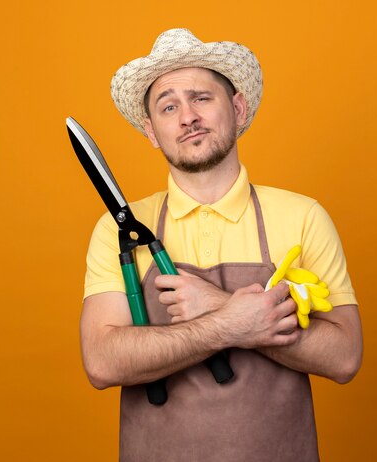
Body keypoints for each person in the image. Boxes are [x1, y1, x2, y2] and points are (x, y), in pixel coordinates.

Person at [80, 28, 362, 462]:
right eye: (168, 106)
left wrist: (216, 302)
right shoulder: (116, 230)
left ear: (238, 106)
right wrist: (229, 324)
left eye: (201, 98)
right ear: (152, 131)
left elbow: (344, 357)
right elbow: (102, 362)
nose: (187, 116)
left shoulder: (302, 216)